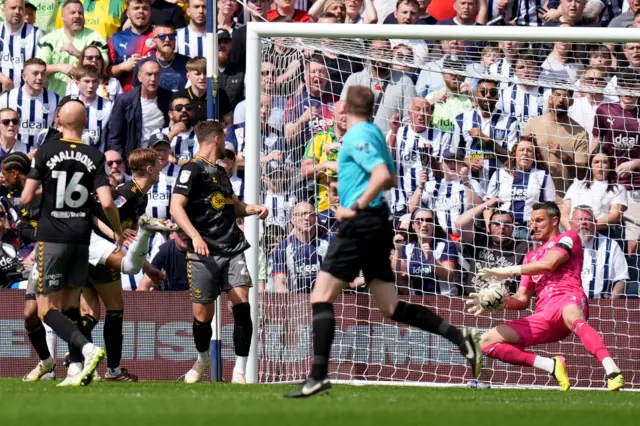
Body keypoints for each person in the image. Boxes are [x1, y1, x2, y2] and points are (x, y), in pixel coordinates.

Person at [284, 86, 481, 398]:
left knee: (320, 296)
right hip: (377, 224)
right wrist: (344, 175)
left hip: (360, 223)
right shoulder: (374, 133)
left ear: (347, 107)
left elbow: (381, 175)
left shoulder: (357, 134)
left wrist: (356, 205)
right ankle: (461, 338)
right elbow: (389, 171)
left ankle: (318, 375)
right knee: (390, 306)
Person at [468, 201, 625, 391]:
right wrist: (496, 302)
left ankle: (612, 370)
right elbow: (523, 299)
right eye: (532, 221)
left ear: (554, 221)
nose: (533, 225)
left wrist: (507, 271)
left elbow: (550, 264)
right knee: (485, 342)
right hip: (543, 315)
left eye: (539, 220)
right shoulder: (530, 256)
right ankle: (550, 365)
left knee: (572, 314)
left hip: (568, 298)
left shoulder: (569, 237)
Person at [20, 99, 122, 387]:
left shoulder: (47, 151)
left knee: (45, 309)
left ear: (58, 121)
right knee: (70, 307)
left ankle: (88, 350)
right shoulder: (95, 154)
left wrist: (44, 190)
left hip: (52, 237)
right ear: (85, 121)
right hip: (82, 239)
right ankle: (75, 368)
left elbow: (27, 198)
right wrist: (116, 232)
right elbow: (107, 201)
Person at [170, 120, 269, 385]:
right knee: (203, 316)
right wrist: (194, 236)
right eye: (224, 136)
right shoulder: (191, 170)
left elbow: (233, 206)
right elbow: (176, 207)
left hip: (233, 247)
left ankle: (239, 370)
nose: (226, 141)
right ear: (216, 139)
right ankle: (202, 359)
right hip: (204, 252)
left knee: (242, 305)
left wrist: (251, 208)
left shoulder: (221, 172)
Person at [81, 148, 174, 382]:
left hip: (90, 252)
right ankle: (112, 370)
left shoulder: (140, 195)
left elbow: (130, 240)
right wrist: (115, 234)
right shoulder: (128, 193)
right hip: (100, 253)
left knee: (91, 312)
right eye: (158, 164)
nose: (162, 168)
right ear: (150, 169)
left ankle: (75, 356)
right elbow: (99, 213)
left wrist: (149, 268)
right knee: (115, 309)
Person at [592, 73, 640, 254]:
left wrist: (634, 163)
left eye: (634, 86)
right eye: (624, 86)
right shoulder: (604, 110)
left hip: (635, 186)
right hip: (609, 183)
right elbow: (595, 143)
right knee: (602, 233)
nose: (628, 91)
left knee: (632, 244)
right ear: (618, 88)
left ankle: (631, 281)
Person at [449, 79, 518, 192]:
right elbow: (453, 153)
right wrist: (466, 161)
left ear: (498, 96)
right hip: (469, 183)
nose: (488, 96)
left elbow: (512, 158)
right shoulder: (462, 119)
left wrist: (489, 141)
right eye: (483, 92)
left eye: (493, 93)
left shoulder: (510, 121)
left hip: (500, 184)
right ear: (476, 94)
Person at [523, 88, 588, 201]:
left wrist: (564, 157)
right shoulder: (533, 124)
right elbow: (519, 157)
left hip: (562, 199)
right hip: (532, 197)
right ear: (550, 99)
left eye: (566, 96)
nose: (561, 100)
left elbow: (581, 174)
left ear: (571, 102)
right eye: (557, 95)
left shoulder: (580, 132)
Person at [485, 139, 556, 239]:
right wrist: (490, 227)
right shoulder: (500, 174)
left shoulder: (543, 175)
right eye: (521, 150)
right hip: (503, 229)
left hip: (530, 230)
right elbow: (488, 205)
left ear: (534, 156)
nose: (525, 153)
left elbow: (550, 206)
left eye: (529, 150)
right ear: (514, 154)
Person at [36, 0, 107, 97]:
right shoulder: (49, 40)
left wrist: (78, 53)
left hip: (87, 100)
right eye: (72, 13)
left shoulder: (95, 38)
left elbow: (103, 67)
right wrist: (59, 67)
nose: (77, 16)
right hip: (56, 99)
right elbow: (36, 68)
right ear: (62, 17)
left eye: (80, 13)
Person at [456, 200, 529, 294]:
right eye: (497, 224)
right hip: (473, 298)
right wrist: (487, 204)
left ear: (513, 227)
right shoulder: (480, 240)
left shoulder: (523, 247)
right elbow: (460, 224)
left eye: (507, 224)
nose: (502, 227)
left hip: (504, 302)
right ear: (489, 227)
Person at [107, 61, 172, 161]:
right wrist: (120, 161)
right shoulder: (125, 100)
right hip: (134, 159)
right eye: (149, 74)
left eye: (156, 74)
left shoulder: (169, 98)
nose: (153, 79)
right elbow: (115, 136)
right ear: (139, 77)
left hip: (160, 158)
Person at [561, 150, 627, 240]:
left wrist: (588, 227)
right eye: (596, 162)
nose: (600, 166)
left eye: (604, 162)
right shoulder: (577, 185)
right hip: (572, 234)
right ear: (590, 165)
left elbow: (615, 216)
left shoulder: (618, 189)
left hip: (601, 234)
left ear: (610, 165)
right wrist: (572, 230)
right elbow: (563, 213)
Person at [392, 207, 458, 295]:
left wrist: (432, 260)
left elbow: (449, 276)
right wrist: (398, 250)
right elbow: (396, 276)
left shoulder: (445, 244)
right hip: (417, 300)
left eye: (429, 220)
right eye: (419, 221)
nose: (424, 224)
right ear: (412, 225)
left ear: (434, 224)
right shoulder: (408, 246)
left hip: (444, 299)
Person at [0, 58, 59, 152]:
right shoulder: (7, 98)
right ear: (24, 77)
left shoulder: (55, 99)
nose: (40, 77)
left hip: (42, 157)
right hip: (15, 156)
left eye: (43, 74)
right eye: (35, 73)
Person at [570, 206, 628, 299]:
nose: (583, 223)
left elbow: (621, 279)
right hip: (567, 305)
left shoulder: (611, 245)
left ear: (595, 223)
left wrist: (610, 304)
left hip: (600, 305)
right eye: (579, 220)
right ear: (571, 223)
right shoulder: (560, 243)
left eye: (588, 220)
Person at [270, 201, 330, 293]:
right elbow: (279, 284)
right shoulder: (282, 247)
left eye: (311, 214)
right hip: (296, 302)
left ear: (316, 218)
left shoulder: (329, 243)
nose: (306, 218)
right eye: (301, 214)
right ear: (292, 219)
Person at [301, 100, 347, 214]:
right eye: (342, 113)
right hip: (324, 209)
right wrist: (327, 165)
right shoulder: (320, 139)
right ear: (332, 116)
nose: (347, 116)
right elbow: (305, 171)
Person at [108, 0, 154, 93]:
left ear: (150, 13)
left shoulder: (160, 36)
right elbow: (105, 71)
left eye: (145, 8)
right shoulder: (116, 39)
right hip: (124, 97)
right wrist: (122, 67)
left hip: (154, 96)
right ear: (128, 13)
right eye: (136, 8)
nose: (140, 11)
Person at [133, 23, 189, 93]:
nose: (167, 39)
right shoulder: (143, 64)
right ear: (153, 41)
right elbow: (136, 93)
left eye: (171, 36)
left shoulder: (188, 63)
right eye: (162, 36)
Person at [175, 56, 232, 125]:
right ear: (188, 76)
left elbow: (229, 124)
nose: (202, 77)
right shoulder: (178, 96)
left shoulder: (220, 94)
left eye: (205, 73)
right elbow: (173, 124)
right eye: (197, 74)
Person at [0, 0, 43, 91]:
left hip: (26, 96)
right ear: (3, 10)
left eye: (20, 8)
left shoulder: (36, 33)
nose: (17, 11)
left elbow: (42, 67)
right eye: (13, 8)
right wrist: (2, 78)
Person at [69, 66, 113, 150]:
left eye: (94, 81)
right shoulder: (69, 104)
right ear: (77, 83)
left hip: (98, 158)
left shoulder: (108, 105)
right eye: (86, 81)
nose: (91, 86)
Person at [426, 56, 473, 133]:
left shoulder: (470, 99)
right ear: (443, 73)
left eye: (459, 70)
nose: (454, 74)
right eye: (450, 70)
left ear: (465, 75)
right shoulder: (431, 97)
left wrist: (473, 101)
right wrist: (428, 105)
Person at [145, 133, 181, 220]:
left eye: (165, 149)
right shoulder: (142, 172)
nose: (161, 153)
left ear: (170, 151)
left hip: (174, 229)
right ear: (149, 151)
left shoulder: (180, 172)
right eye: (157, 150)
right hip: (148, 230)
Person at [161, 96, 197, 164]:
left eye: (188, 107)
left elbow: (201, 162)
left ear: (192, 112)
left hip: (189, 174)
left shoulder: (200, 135)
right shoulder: (159, 132)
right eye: (179, 108)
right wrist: (172, 134)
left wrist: (175, 161)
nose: (184, 110)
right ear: (170, 114)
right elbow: (151, 156)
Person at [217, 29, 245, 111]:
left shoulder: (242, 71)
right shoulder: (204, 71)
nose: (222, 45)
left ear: (231, 45)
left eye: (225, 42)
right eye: (218, 42)